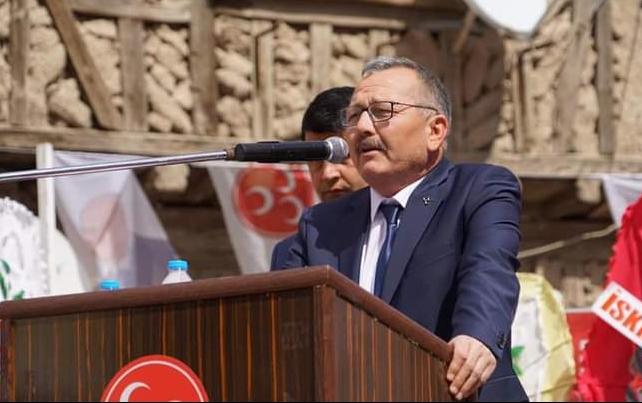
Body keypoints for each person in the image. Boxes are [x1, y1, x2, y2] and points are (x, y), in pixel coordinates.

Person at [272, 56, 526, 401]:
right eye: (354, 115)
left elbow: (489, 268)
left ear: (435, 131)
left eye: (381, 112)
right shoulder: (320, 224)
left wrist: (476, 336)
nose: (362, 127)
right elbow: (287, 333)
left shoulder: (478, 190)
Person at [270, 86, 368, 270]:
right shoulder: (290, 255)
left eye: (341, 155)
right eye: (315, 159)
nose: (328, 173)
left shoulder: (406, 236)